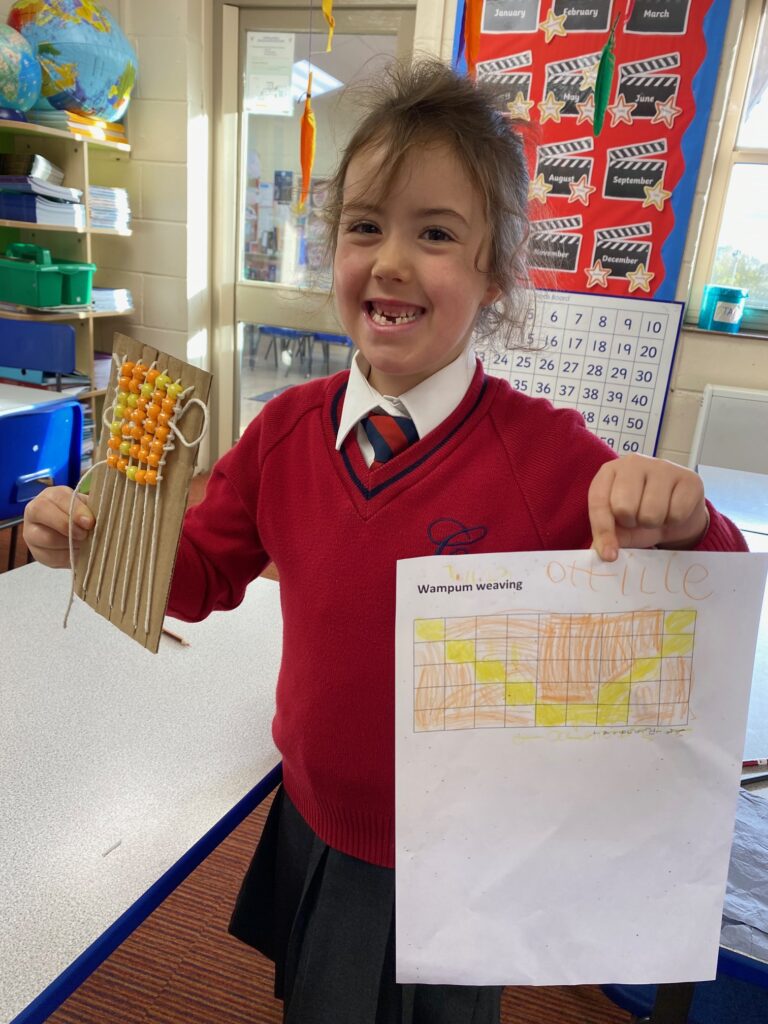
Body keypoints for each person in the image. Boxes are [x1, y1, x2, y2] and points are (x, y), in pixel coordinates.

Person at [23, 59, 747, 1024]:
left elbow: (708, 597)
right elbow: (196, 576)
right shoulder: (283, 432)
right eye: (365, 226)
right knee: (319, 999)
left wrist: (686, 521)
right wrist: (93, 542)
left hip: (462, 846)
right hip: (316, 811)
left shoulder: (545, 454)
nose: (392, 260)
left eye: (436, 234)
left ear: (494, 276)